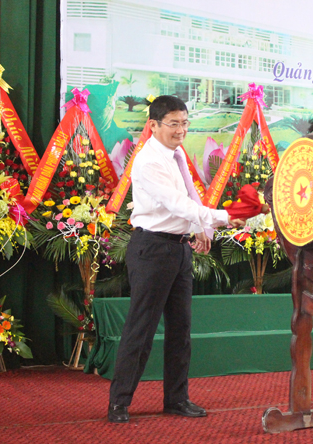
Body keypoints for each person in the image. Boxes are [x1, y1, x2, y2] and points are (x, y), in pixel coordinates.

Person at [108, 95, 244, 423]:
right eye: (173, 123)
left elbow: (188, 199)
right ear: (153, 126)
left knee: (180, 330)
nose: (181, 130)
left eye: (185, 122)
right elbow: (175, 205)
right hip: (152, 249)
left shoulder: (176, 154)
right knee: (141, 328)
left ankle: (176, 399)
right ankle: (119, 402)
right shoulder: (148, 161)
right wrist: (223, 218)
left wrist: (200, 228)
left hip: (179, 249)